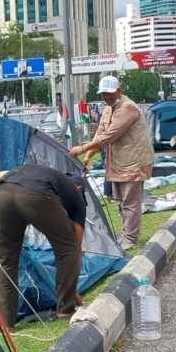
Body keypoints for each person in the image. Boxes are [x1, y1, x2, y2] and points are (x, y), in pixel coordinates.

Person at [0, 165, 86, 330]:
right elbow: (75, 247)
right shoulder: (77, 197)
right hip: (36, 196)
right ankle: (65, 309)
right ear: (80, 188)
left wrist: (8, 210)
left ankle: (6, 323)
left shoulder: (41, 172)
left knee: (6, 260)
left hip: (1, 195)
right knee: (68, 249)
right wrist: (70, 291)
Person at [69, 75, 154, 251]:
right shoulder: (108, 109)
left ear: (119, 90)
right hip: (117, 163)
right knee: (122, 202)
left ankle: (130, 238)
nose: (106, 97)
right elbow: (100, 135)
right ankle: (126, 234)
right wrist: (88, 156)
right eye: (103, 94)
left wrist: (82, 149)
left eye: (109, 93)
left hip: (133, 162)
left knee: (130, 202)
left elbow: (110, 135)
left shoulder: (128, 108)